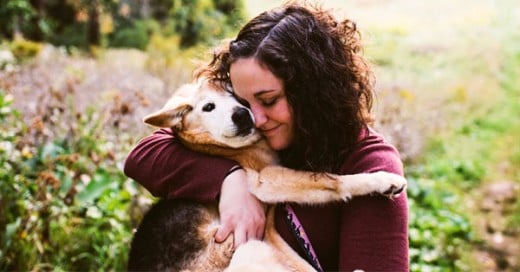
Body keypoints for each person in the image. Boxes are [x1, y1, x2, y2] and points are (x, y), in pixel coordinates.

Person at [124, 2, 408, 271]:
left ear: (313, 93)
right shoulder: (244, 140)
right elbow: (143, 155)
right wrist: (231, 180)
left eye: (269, 101)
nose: (255, 119)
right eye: (243, 103)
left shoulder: (370, 164)